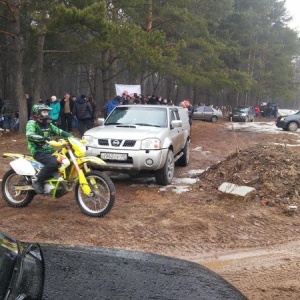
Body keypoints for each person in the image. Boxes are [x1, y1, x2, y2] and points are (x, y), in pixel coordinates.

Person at [26, 104, 72, 194]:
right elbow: (29, 135)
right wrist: (42, 138)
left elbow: (59, 131)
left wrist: (72, 137)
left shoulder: (47, 123)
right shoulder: (32, 123)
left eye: (47, 111)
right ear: (37, 113)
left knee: (65, 159)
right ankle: (38, 180)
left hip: (49, 150)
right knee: (53, 163)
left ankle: (56, 180)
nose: (46, 113)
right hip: (38, 150)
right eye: (44, 111)